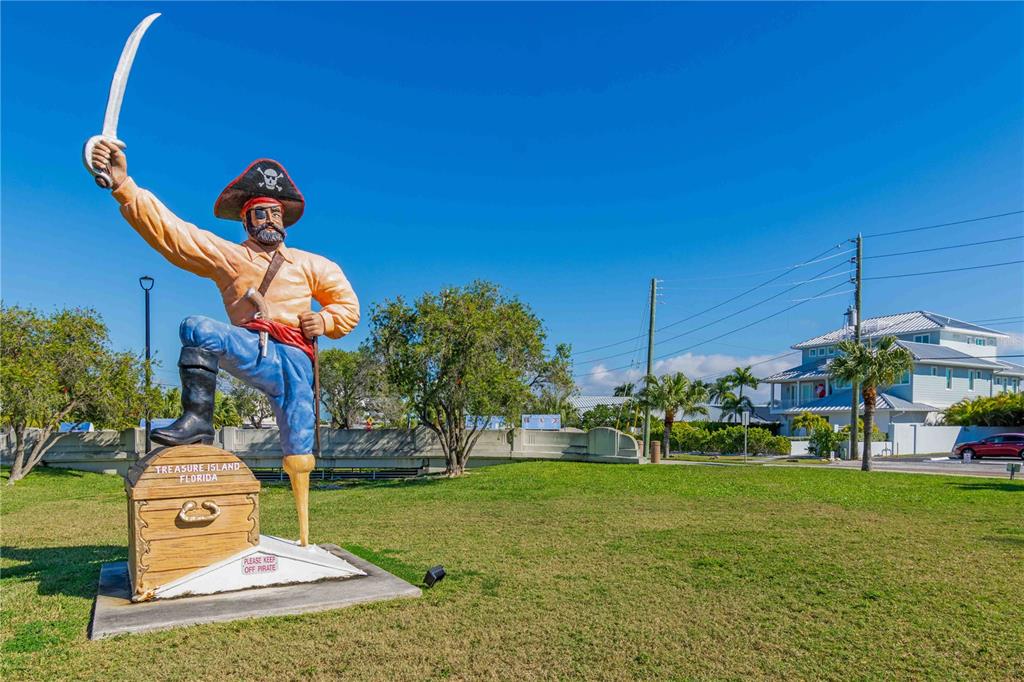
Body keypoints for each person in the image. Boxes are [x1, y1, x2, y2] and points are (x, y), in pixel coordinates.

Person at [89, 141, 359, 545]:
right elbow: (175, 235)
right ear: (246, 220)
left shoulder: (313, 264)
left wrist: (324, 319)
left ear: (284, 219)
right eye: (259, 214)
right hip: (257, 350)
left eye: (275, 213)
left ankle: (304, 535)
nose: (268, 220)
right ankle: (197, 421)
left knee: (300, 448)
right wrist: (125, 187)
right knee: (197, 328)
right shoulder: (230, 257)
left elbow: (348, 306)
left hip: (298, 361)